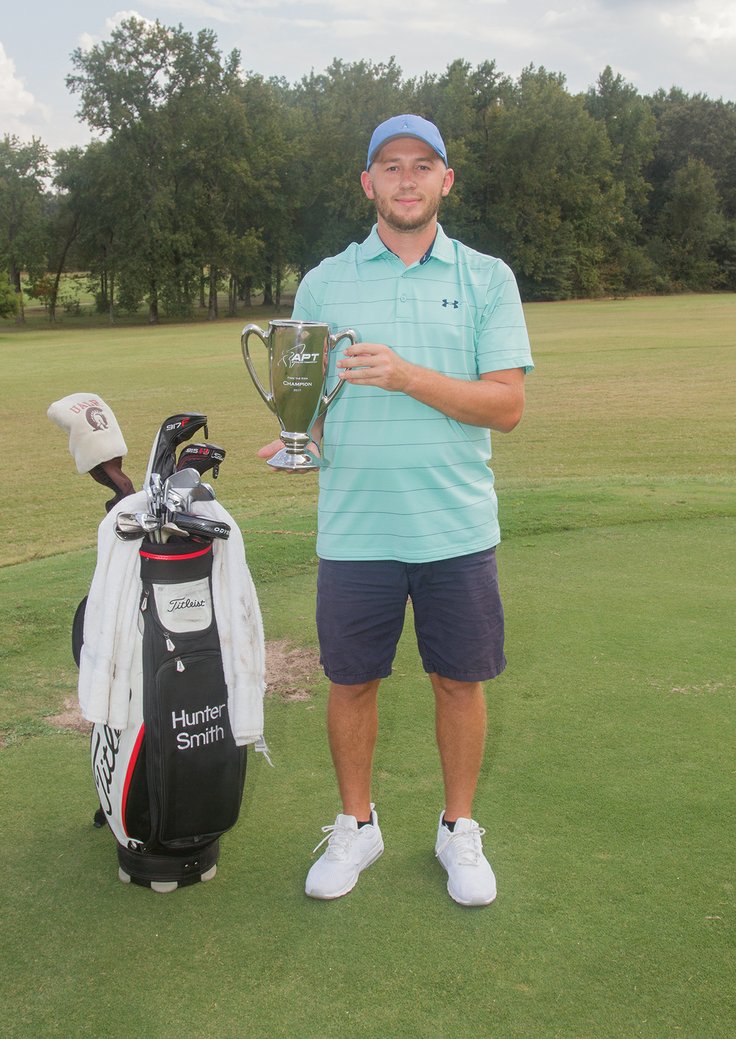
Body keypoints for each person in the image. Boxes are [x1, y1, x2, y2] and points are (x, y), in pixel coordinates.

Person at [259, 114, 534, 906]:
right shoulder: (324, 282)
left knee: (459, 681)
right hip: (356, 528)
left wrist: (408, 375)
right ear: (367, 183)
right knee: (350, 683)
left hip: (455, 526)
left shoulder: (486, 277)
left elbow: (507, 405)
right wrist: (293, 439)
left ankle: (458, 829)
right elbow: (303, 402)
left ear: (446, 181)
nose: (406, 180)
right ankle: (357, 824)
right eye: (390, 166)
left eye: (422, 166)